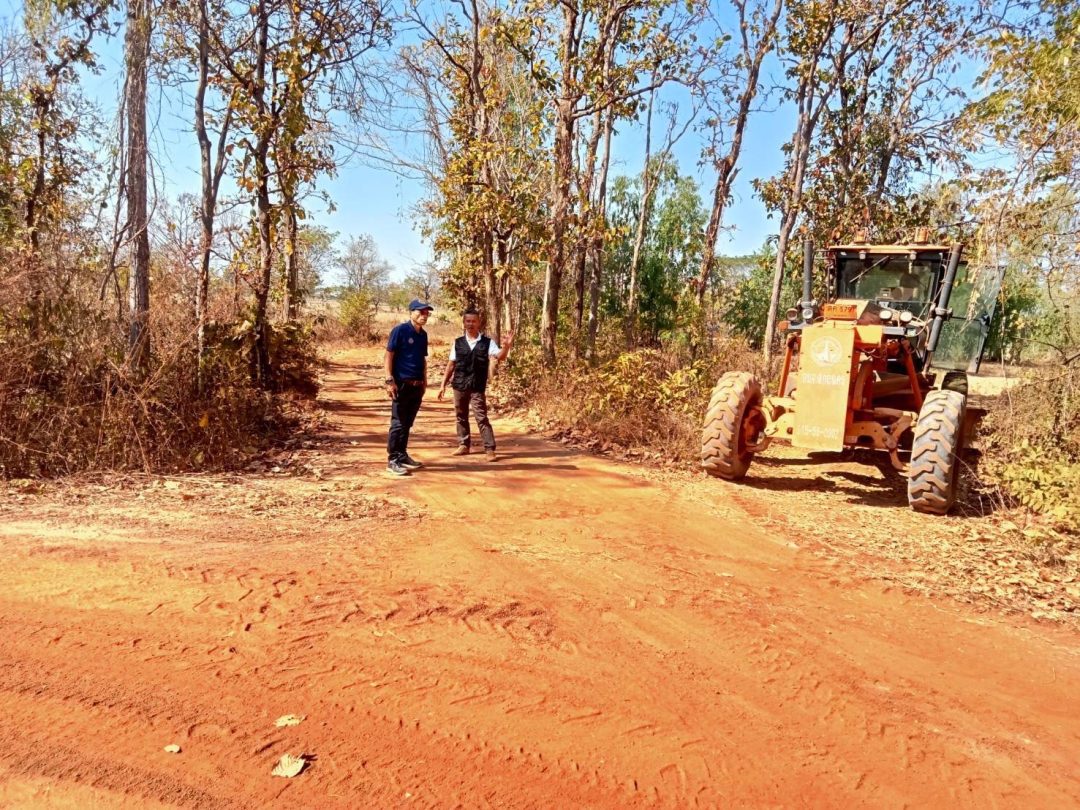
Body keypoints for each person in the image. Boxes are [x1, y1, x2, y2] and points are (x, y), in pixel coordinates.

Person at [437, 308, 514, 461]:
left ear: (479, 323)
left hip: (477, 386)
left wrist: (506, 347)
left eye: (473, 321)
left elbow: (500, 357)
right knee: (461, 415)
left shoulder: (487, 343)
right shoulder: (458, 343)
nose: (470, 324)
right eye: (468, 321)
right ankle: (464, 444)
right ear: (464, 323)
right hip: (459, 385)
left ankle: (490, 449)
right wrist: (443, 384)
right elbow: (451, 364)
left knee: (481, 417)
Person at [384, 299, 433, 476]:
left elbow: (422, 359)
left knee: (407, 422)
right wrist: (389, 380)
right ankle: (393, 460)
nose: (424, 316)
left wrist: (424, 381)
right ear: (411, 312)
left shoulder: (423, 335)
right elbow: (389, 355)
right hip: (401, 384)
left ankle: (402, 455)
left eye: (427, 313)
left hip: (417, 384)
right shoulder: (400, 331)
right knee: (398, 422)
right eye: (420, 312)